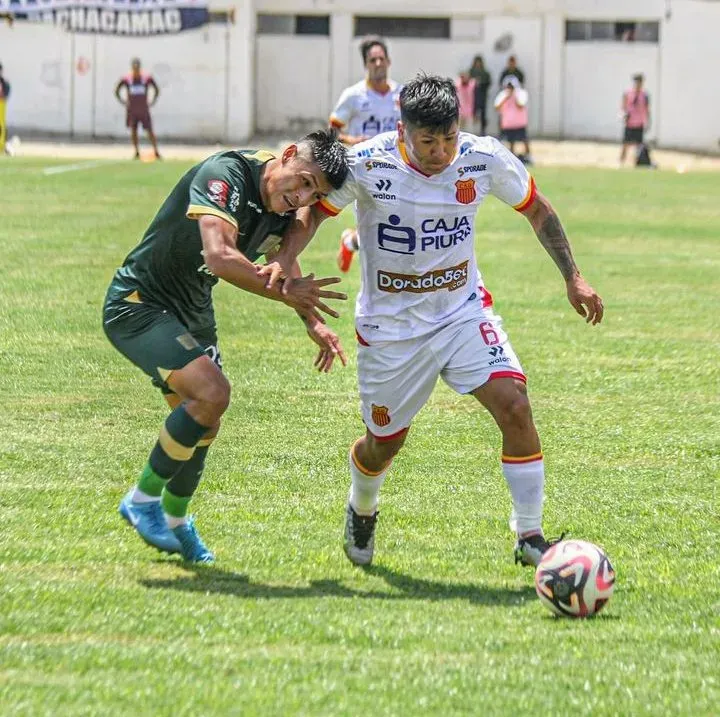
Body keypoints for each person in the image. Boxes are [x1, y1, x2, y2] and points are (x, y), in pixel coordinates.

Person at [258, 74, 604, 570]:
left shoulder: (482, 157)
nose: (441, 151)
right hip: (391, 330)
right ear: (403, 130)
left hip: (461, 312)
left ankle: (530, 536)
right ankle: (362, 505)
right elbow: (314, 215)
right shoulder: (367, 162)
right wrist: (287, 260)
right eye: (428, 141)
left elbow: (538, 209)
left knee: (514, 405)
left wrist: (574, 277)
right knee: (384, 443)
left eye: (449, 138)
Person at [103, 130, 349, 564]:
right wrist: (286, 294)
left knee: (207, 420)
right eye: (305, 181)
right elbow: (218, 255)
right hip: (140, 303)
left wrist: (312, 322)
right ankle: (143, 500)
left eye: (316, 193)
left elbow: (283, 269)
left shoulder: (281, 214)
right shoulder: (227, 175)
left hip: (192, 308)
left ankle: (176, 521)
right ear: (288, 155)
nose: (304, 197)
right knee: (212, 393)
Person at [330, 36, 402, 274]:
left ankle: (351, 241)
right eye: (373, 60)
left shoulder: (401, 95)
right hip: (365, 170)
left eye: (382, 58)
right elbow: (332, 132)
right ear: (366, 65)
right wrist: (353, 140)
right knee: (378, 231)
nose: (378, 63)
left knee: (394, 227)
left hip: (398, 169)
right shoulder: (354, 96)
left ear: (389, 61)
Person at [115, 58, 161, 160]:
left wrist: (152, 101)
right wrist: (124, 102)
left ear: (140, 67)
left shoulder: (146, 78)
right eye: (134, 67)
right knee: (134, 130)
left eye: (137, 67)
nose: (136, 69)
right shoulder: (127, 79)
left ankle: (156, 151)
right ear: (132, 68)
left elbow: (156, 88)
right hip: (132, 110)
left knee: (149, 130)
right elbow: (117, 90)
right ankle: (136, 151)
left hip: (143, 110)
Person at [494, 76, 532, 163]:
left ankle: (529, 156)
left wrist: (513, 95)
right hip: (508, 123)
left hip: (520, 123)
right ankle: (512, 158)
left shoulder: (521, 93)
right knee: (511, 142)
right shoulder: (503, 94)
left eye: (511, 86)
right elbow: (496, 107)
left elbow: (520, 105)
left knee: (524, 140)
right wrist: (506, 97)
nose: (510, 88)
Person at [619, 73, 650, 166]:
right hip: (629, 123)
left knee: (638, 146)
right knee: (625, 144)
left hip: (639, 123)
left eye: (640, 82)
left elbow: (647, 110)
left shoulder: (645, 95)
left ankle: (635, 163)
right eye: (636, 82)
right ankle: (621, 163)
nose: (638, 84)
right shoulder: (627, 93)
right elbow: (623, 107)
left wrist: (647, 122)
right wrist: (623, 115)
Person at [469, 55, 491, 135]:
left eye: (479, 62)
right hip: (473, 96)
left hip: (482, 95)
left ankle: (483, 131)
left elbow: (489, 82)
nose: (478, 64)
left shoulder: (485, 73)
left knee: (483, 114)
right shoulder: (471, 71)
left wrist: (481, 83)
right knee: (472, 113)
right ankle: (472, 130)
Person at [0, 62, 10, 155]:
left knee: (2, 126)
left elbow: (6, 93)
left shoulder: (4, 82)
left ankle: (2, 145)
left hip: (1, 106)